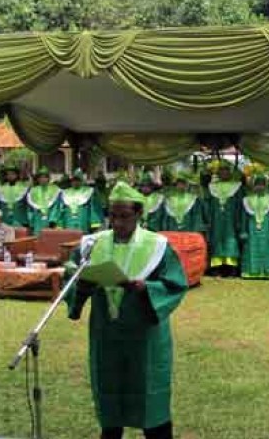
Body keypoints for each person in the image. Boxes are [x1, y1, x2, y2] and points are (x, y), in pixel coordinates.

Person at [65, 181, 187, 439]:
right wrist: (82, 283)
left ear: (139, 214)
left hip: (144, 336)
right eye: (113, 216)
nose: (117, 223)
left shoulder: (157, 246)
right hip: (106, 332)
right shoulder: (92, 244)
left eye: (124, 216)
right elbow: (70, 271)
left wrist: (146, 288)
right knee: (110, 396)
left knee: (150, 399)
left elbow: (175, 284)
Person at [239, 171, 269, 279]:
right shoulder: (247, 199)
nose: (260, 187)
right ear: (254, 185)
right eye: (257, 184)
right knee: (251, 248)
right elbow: (244, 216)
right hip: (252, 227)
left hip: (267, 226)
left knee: (268, 248)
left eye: (262, 184)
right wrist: (243, 230)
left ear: (265, 185)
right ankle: (251, 272)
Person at [206, 160, 243, 274]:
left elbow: (240, 205)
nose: (224, 173)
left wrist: (238, 221)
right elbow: (209, 205)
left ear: (230, 172)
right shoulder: (212, 187)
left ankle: (231, 267)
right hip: (216, 219)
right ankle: (217, 267)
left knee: (231, 240)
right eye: (221, 170)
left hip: (231, 219)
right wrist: (209, 220)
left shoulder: (237, 186)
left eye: (226, 170)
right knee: (216, 240)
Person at [27, 166, 64, 235]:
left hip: (50, 220)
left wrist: (53, 220)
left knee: (49, 238)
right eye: (40, 177)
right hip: (37, 220)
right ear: (37, 179)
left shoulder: (55, 189)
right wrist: (31, 221)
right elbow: (30, 209)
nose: (42, 179)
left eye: (45, 177)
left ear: (48, 178)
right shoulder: (33, 191)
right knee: (37, 238)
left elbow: (57, 206)